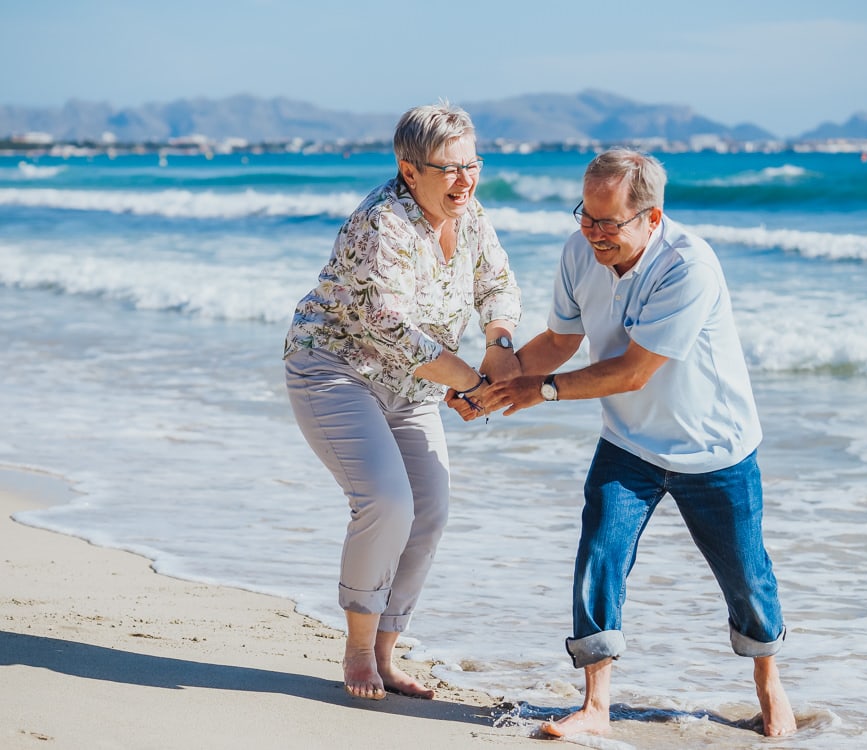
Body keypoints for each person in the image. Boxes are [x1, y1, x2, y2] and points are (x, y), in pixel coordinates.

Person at [481, 149, 796, 737]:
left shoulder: (689, 266)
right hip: (628, 442)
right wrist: (494, 384)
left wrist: (539, 392)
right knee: (598, 554)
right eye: (586, 216)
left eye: (609, 223)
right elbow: (559, 340)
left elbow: (633, 371)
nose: (593, 233)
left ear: (651, 218)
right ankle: (596, 706)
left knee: (747, 576)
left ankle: (769, 684)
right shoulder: (580, 251)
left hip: (712, 447)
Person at [283, 102, 521, 701]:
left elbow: (496, 282)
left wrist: (499, 344)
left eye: (472, 164)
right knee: (387, 502)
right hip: (337, 369)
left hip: (411, 386)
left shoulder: (468, 212)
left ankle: (387, 653)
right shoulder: (382, 221)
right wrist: (468, 379)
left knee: (431, 510)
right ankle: (357, 651)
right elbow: (387, 328)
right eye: (450, 168)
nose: (465, 180)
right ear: (409, 169)